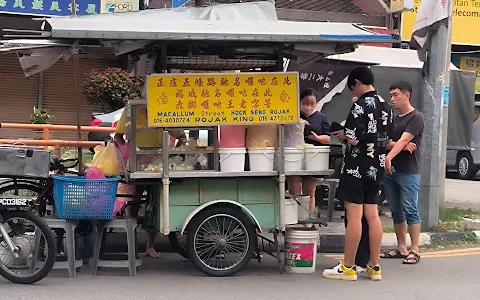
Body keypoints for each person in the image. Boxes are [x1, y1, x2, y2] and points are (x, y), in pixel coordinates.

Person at [323, 66, 392, 281]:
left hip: (356, 167)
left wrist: (342, 135)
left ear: (356, 83)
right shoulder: (386, 106)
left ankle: (349, 266)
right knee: (373, 215)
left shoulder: (359, 106)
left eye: (352, 86)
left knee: (354, 216)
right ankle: (374, 266)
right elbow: (385, 138)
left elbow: (353, 138)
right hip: (376, 167)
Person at [114, 106, 186, 258]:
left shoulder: (163, 108)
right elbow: (118, 136)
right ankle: (132, 247)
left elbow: (182, 137)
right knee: (133, 203)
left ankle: (150, 246)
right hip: (135, 164)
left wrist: (175, 154)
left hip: (158, 165)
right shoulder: (130, 111)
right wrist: (124, 152)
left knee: (156, 204)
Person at [382, 81, 424, 265]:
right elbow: (385, 141)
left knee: (410, 209)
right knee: (396, 210)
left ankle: (415, 249)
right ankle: (401, 247)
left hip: (408, 171)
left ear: (407, 95)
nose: (392, 99)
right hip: (390, 172)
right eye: (390, 95)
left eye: (396, 95)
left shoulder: (416, 117)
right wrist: (399, 146)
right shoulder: (393, 118)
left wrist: (389, 156)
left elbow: (405, 138)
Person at [287, 88, 331, 217]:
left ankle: (308, 219)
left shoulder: (321, 117)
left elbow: (327, 137)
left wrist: (317, 138)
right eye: (306, 103)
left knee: (309, 193)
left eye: (313, 104)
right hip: (294, 156)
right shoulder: (293, 115)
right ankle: (294, 219)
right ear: (299, 102)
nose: (309, 107)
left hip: (312, 158)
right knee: (294, 191)